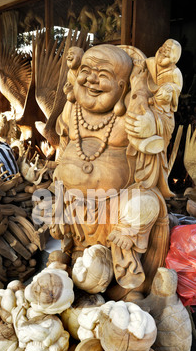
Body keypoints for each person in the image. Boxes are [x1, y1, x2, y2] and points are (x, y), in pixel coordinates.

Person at [51, 43, 181, 294]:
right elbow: (63, 144)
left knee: (145, 204)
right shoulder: (72, 109)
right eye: (86, 71)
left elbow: (163, 125)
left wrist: (149, 124)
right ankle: (80, 257)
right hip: (75, 199)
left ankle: (124, 269)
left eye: (103, 76)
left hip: (120, 199)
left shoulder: (129, 112)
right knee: (52, 196)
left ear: (123, 87)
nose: (91, 80)